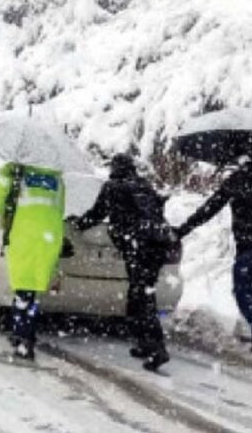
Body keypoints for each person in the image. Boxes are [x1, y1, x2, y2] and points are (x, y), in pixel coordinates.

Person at [175, 156, 252, 357]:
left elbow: (209, 208)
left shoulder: (238, 180)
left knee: (242, 290)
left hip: (250, 244)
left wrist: (183, 229)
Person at [71, 154, 172, 371]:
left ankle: (157, 348)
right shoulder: (144, 185)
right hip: (158, 244)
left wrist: (78, 224)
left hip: (139, 245)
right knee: (140, 293)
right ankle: (144, 343)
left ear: (114, 169)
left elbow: (97, 213)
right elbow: (155, 210)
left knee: (142, 297)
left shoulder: (113, 187)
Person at [0, 162, 66, 360]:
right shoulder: (57, 178)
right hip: (49, 238)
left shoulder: (13, 172)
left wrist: (2, 221)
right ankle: (27, 334)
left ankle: (21, 337)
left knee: (22, 287)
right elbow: (60, 210)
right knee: (34, 289)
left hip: (23, 235)